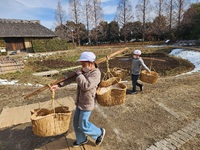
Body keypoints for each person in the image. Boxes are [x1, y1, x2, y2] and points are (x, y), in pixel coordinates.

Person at [50, 52, 105, 147]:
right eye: (82, 63)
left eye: (84, 64)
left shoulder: (96, 73)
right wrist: (58, 85)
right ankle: (81, 139)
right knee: (76, 123)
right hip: (80, 101)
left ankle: (99, 132)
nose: (82, 66)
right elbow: (70, 78)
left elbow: (86, 86)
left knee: (83, 124)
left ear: (91, 63)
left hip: (88, 103)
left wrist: (79, 75)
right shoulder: (84, 71)